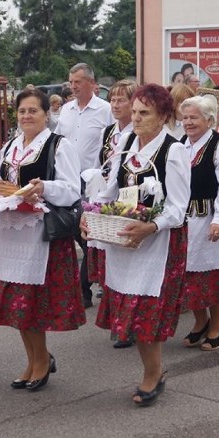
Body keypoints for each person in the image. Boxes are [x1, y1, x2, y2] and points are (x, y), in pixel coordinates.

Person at [84, 83, 190, 406]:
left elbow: (178, 207)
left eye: (145, 113)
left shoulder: (174, 151)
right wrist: (92, 212)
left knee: (148, 312)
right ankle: (153, 369)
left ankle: (153, 374)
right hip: (125, 238)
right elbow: (110, 187)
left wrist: (151, 226)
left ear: (163, 116)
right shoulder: (127, 142)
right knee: (133, 309)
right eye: (134, 112)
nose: (137, 118)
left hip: (158, 243)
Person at [0, 88, 85, 391]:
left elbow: (72, 190)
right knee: (17, 303)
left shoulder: (59, 145)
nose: (26, 116)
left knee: (32, 302)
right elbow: (0, 182)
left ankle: (41, 360)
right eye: (22, 111)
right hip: (11, 233)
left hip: (41, 235)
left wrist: (43, 187)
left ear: (47, 114)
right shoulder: (10, 146)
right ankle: (34, 358)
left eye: (33, 111)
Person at [179, 95, 219, 351]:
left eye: (194, 117)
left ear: (209, 119)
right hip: (187, 219)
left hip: (214, 217)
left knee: (213, 275)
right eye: (184, 117)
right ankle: (200, 321)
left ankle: (217, 327)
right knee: (188, 274)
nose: (188, 122)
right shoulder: (182, 144)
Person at [55, 63, 113, 308]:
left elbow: (113, 141)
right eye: (71, 81)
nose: (73, 86)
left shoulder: (105, 110)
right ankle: (86, 284)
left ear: (91, 83)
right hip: (68, 180)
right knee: (77, 234)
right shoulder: (66, 110)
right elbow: (56, 141)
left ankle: (85, 288)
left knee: (89, 234)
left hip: (93, 183)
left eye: (78, 81)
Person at [91, 79, 138, 349]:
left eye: (122, 100)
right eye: (114, 99)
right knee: (112, 264)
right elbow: (100, 165)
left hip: (130, 199)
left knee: (129, 262)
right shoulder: (108, 131)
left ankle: (129, 322)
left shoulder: (139, 132)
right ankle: (119, 320)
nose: (116, 104)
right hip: (109, 197)